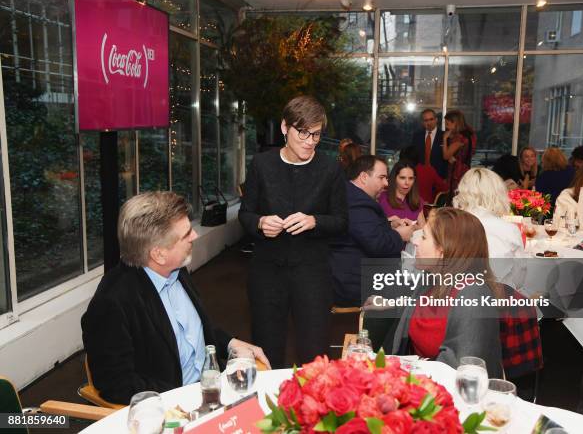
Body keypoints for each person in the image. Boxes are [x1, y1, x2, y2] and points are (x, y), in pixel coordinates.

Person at [81, 192, 270, 404]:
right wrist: (186, 397)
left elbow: (195, 328)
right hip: (175, 407)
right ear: (158, 254)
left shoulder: (176, 270)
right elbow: (116, 384)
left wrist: (231, 343)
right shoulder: (111, 303)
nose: (194, 236)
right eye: (186, 234)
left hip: (212, 388)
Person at [238, 95, 348, 368]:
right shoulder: (262, 164)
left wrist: (315, 221)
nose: (310, 141)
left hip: (312, 272)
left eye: (316, 135)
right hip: (267, 272)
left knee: (314, 352)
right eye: (304, 133)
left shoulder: (330, 169)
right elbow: (245, 215)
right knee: (266, 348)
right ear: (285, 128)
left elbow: (342, 222)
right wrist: (261, 223)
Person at [386, 207, 503, 378]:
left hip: (453, 394)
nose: (416, 242)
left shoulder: (473, 295)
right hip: (423, 383)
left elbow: (460, 370)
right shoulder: (433, 278)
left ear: (443, 250)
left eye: (424, 237)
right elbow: (419, 308)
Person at [330, 155, 416, 307]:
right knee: (415, 293)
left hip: (353, 276)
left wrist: (388, 225)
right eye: (382, 177)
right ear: (364, 177)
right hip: (355, 284)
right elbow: (376, 244)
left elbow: (361, 230)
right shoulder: (357, 202)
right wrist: (399, 235)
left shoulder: (352, 195)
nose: (386, 183)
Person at [453, 168, 526, 290]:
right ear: (498, 193)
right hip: (499, 300)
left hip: (457, 298)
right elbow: (519, 278)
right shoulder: (510, 229)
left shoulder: (451, 226)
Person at [378, 159, 426, 226]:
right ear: (394, 178)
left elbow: (423, 230)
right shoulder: (382, 198)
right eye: (402, 178)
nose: (407, 183)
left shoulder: (417, 201)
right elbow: (375, 227)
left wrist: (413, 228)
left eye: (411, 178)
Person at [442, 110, 476, 199]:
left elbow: (445, 156)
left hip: (457, 172)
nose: (446, 127)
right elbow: (472, 152)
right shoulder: (470, 133)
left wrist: (444, 139)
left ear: (455, 123)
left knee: (455, 197)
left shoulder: (459, 137)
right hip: (465, 168)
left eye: (448, 124)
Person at [411, 109, 447, 179]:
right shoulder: (417, 136)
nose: (429, 123)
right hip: (420, 176)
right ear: (422, 122)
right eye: (426, 120)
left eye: (431, 119)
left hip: (439, 176)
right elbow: (413, 155)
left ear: (436, 120)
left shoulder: (444, 136)